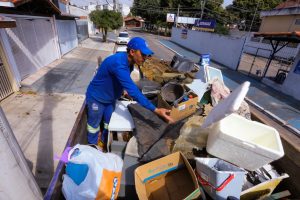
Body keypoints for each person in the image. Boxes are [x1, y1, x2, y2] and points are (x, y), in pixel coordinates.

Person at [86, 37, 173, 149]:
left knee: (108, 124)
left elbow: (120, 80)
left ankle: (103, 143)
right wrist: (156, 110)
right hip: (96, 98)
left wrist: (123, 90)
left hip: (110, 99)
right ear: (132, 52)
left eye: (146, 55)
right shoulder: (119, 64)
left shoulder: (130, 64)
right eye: (143, 54)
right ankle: (91, 148)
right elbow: (134, 91)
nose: (145, 58)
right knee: (93, 126)